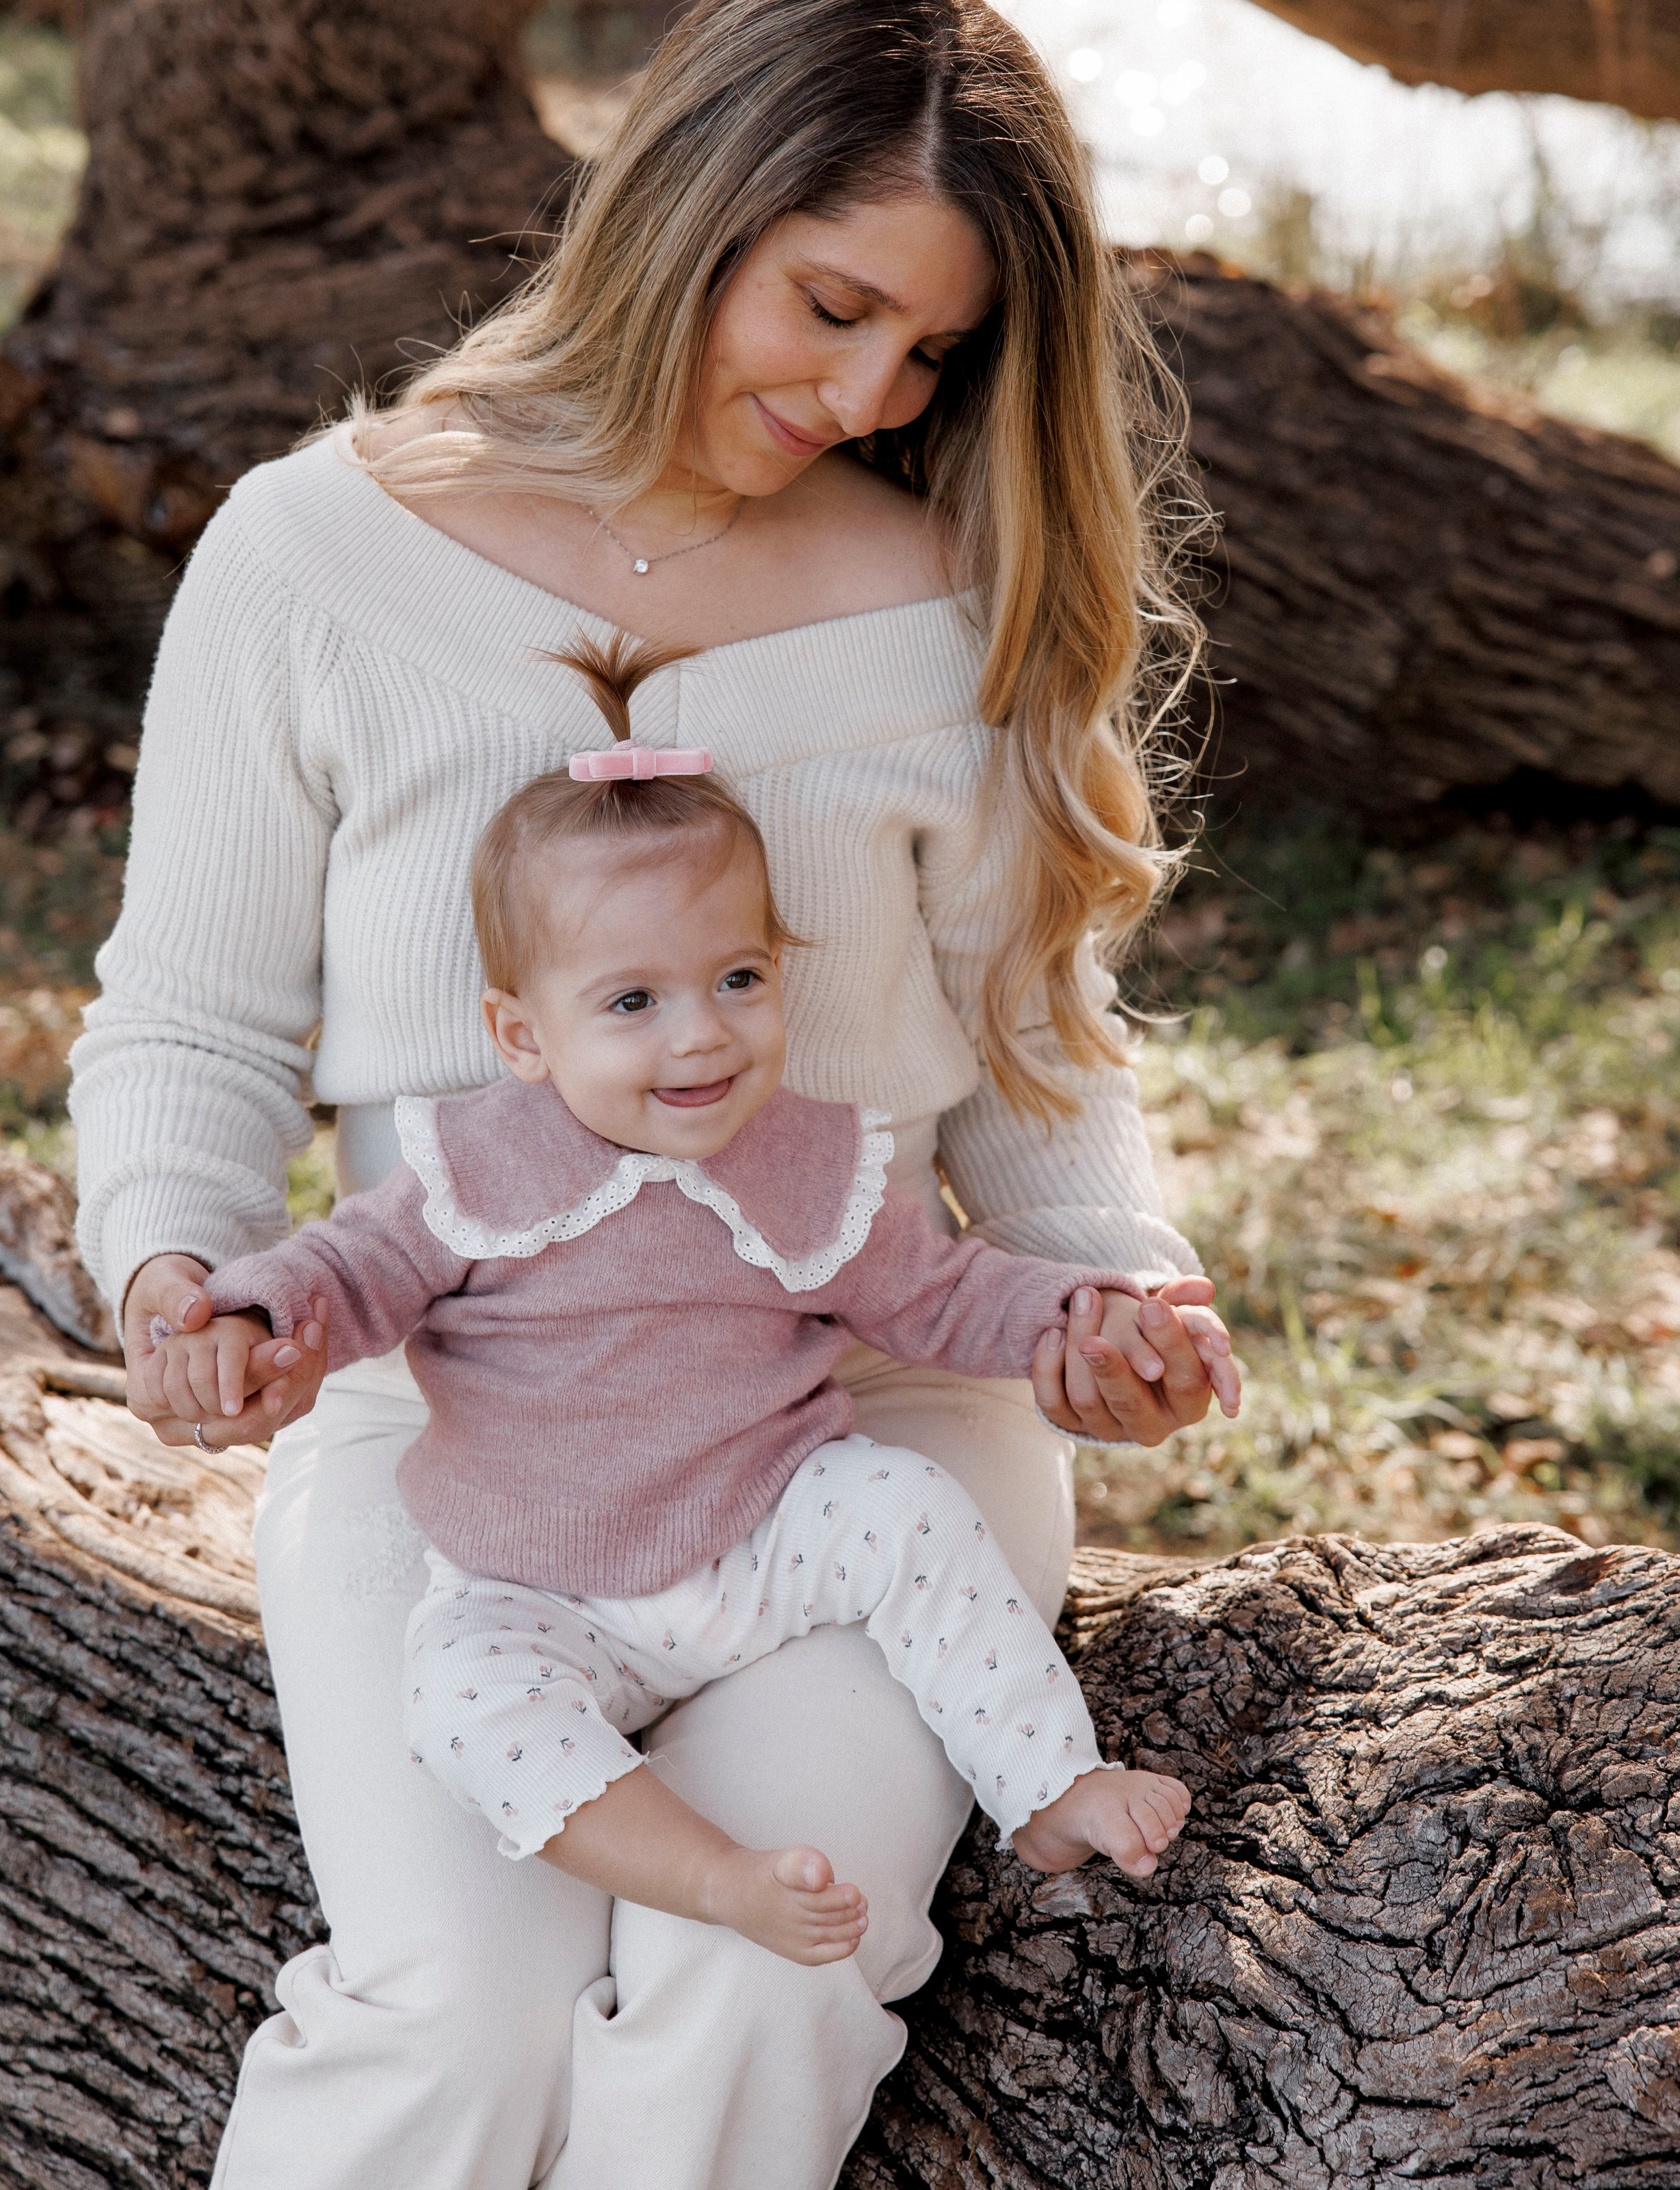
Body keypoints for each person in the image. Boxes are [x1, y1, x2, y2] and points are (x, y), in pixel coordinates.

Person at [74, 0, 1233, 2190]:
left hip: (864, 1430)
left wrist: (1118, 1295)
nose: (878, 390)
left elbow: (1032, 1057)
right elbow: (191, 1021)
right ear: (689, 200)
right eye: (832, 305)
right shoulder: (312, 557)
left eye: (935, 348)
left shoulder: (948, 603)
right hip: (449, 1426)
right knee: (456, 2014)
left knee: (760, 1969)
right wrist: (180, 1280)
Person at [163, 634, 1228, 1967]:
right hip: (535, 1577)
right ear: (520, 1036)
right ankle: (710, 1878)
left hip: (760, 1527)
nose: (700, 1035)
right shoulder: (474, 1169)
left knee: (902, 1505)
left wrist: (1082, 1313)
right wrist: (254, 1316)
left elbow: (940, 1293)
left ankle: (1049, 1784)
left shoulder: (801, 1159)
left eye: (738, 978)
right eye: (632, 1001)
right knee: (457, 1698)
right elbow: (341, 1275)